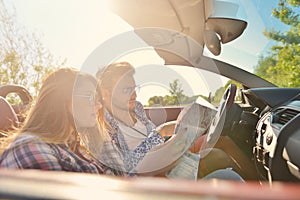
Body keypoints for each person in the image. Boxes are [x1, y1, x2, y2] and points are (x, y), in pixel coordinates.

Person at [95, 61, 245, 181]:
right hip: (159, 174)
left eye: (135, 88)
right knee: (220, 157)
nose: (134, 94)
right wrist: (159, 132)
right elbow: (128, 166)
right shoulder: (104, 128)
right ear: (106, 94)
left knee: (222, 141)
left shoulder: (136, 108)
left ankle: (264, 186)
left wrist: (178, 129)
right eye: (126, 90)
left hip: (169, 154)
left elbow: (151, 138)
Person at [0, 68, 114, 175]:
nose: (99, 106)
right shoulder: (29, 146)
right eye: (91, 97)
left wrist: (98, 133)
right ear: (61, 100)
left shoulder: (74, 148)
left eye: (99, 100)